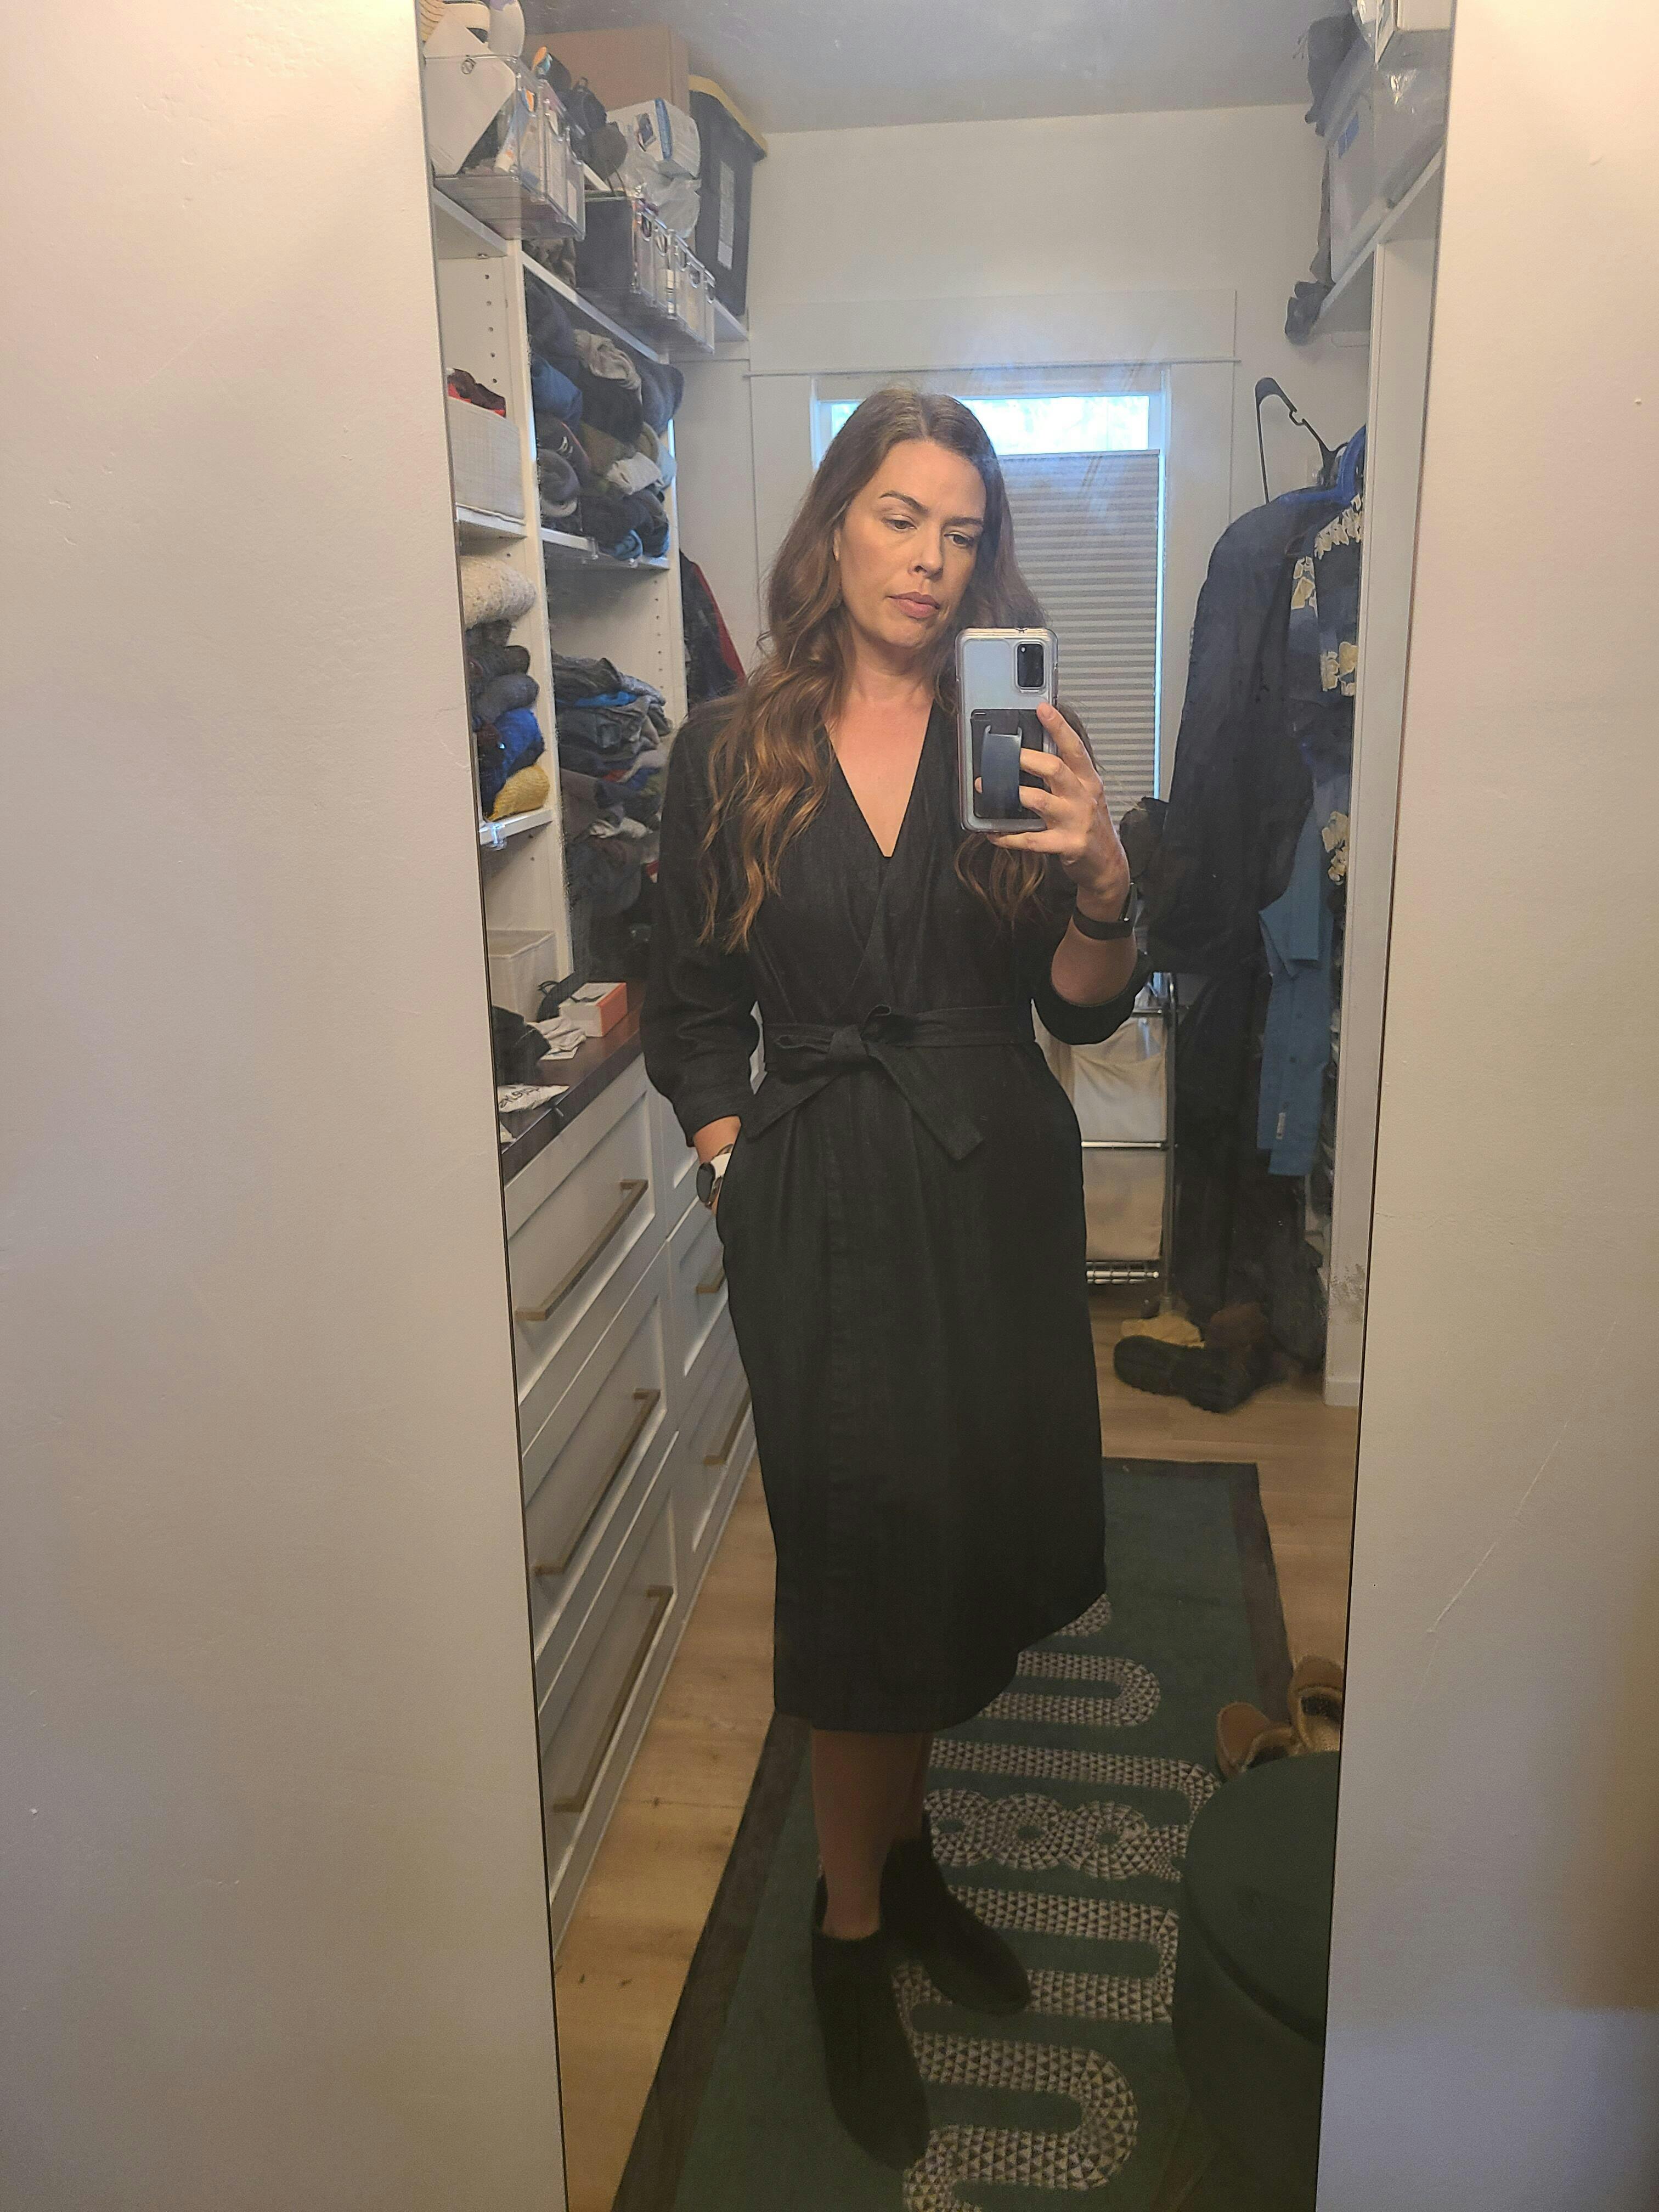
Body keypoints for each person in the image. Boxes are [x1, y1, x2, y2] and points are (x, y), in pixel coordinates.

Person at [641, 388, 1146, 2168]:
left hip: (990, 1184)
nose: (930, 560)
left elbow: (1080, 1009)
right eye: (899, 516)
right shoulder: (728, 750)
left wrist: (1103, 879)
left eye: (961, 530)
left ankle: (909, 1862)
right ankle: (848, 1930)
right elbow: (690, 1002)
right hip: (819, 1192)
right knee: (861, 1563)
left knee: (956, 1541)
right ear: (837, 523)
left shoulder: (1024, 737)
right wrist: (735, 1164)